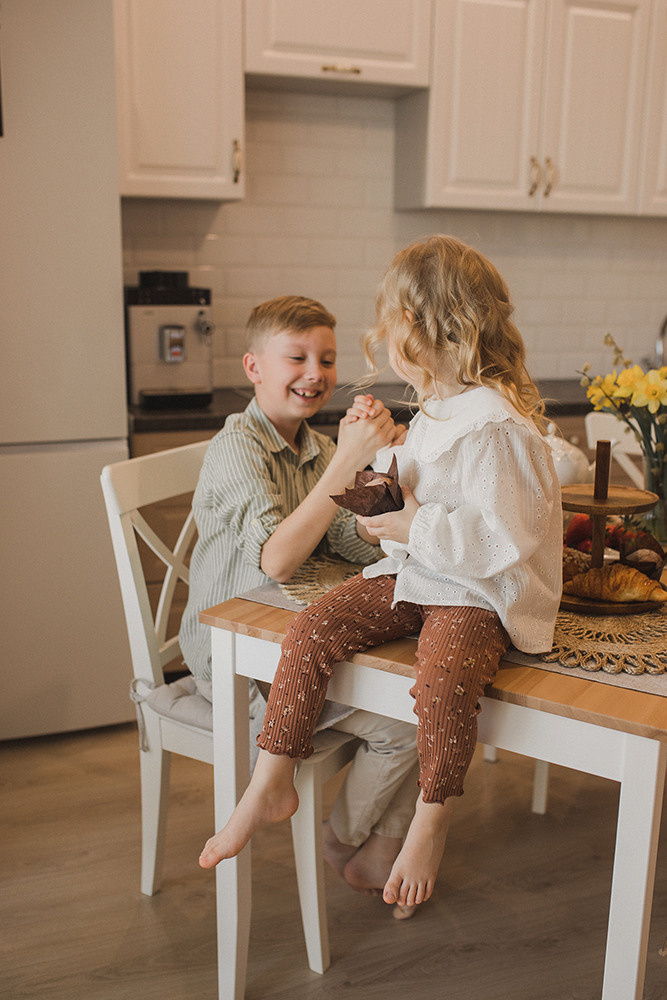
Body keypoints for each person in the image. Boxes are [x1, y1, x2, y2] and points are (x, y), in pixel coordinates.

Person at [197, 236, 563, 914]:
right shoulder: (435, 411)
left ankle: (431, 819)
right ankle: (271, 778)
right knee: (309, 629)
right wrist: (379, 494)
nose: (381, 339)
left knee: (442, 676)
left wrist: (407, 521)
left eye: (390, 325)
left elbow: (502, 540)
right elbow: (414, 501)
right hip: (423, 573)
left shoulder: (493, 427)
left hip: (477, 591)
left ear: (428, 331)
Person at [179, 294, 420, 907]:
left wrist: (378, 475)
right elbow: (278, 559)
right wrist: (347, 459)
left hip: (292, 646)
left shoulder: (313, 448)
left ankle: (368, 844)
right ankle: (342, 841)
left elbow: (348, 541)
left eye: (328, 358)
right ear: (253, 367)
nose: (316, 372)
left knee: (423, 705)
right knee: (405, 722)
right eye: (297, 356)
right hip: (235, 663)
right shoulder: (238, 449)